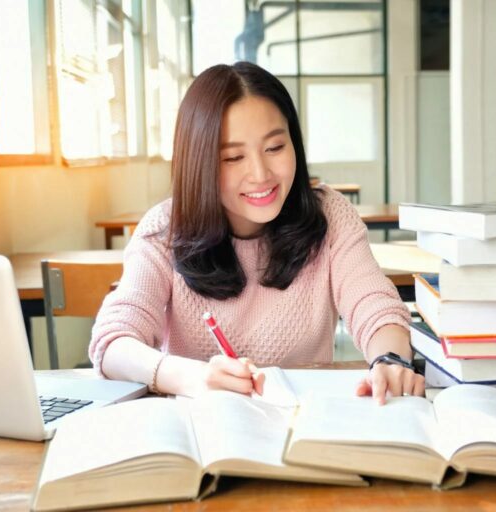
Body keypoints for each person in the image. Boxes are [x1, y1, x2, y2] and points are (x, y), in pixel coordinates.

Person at [89, 61, 424, 404]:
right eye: (233, 157)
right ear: (199, 163)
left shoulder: (330, 217)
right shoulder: (165, 230)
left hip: (302, 428)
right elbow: (114, 342)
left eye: (275, 148)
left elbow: (376, 307)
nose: (261, 173)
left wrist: (390, 359)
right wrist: (192, 377)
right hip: (200, 433)